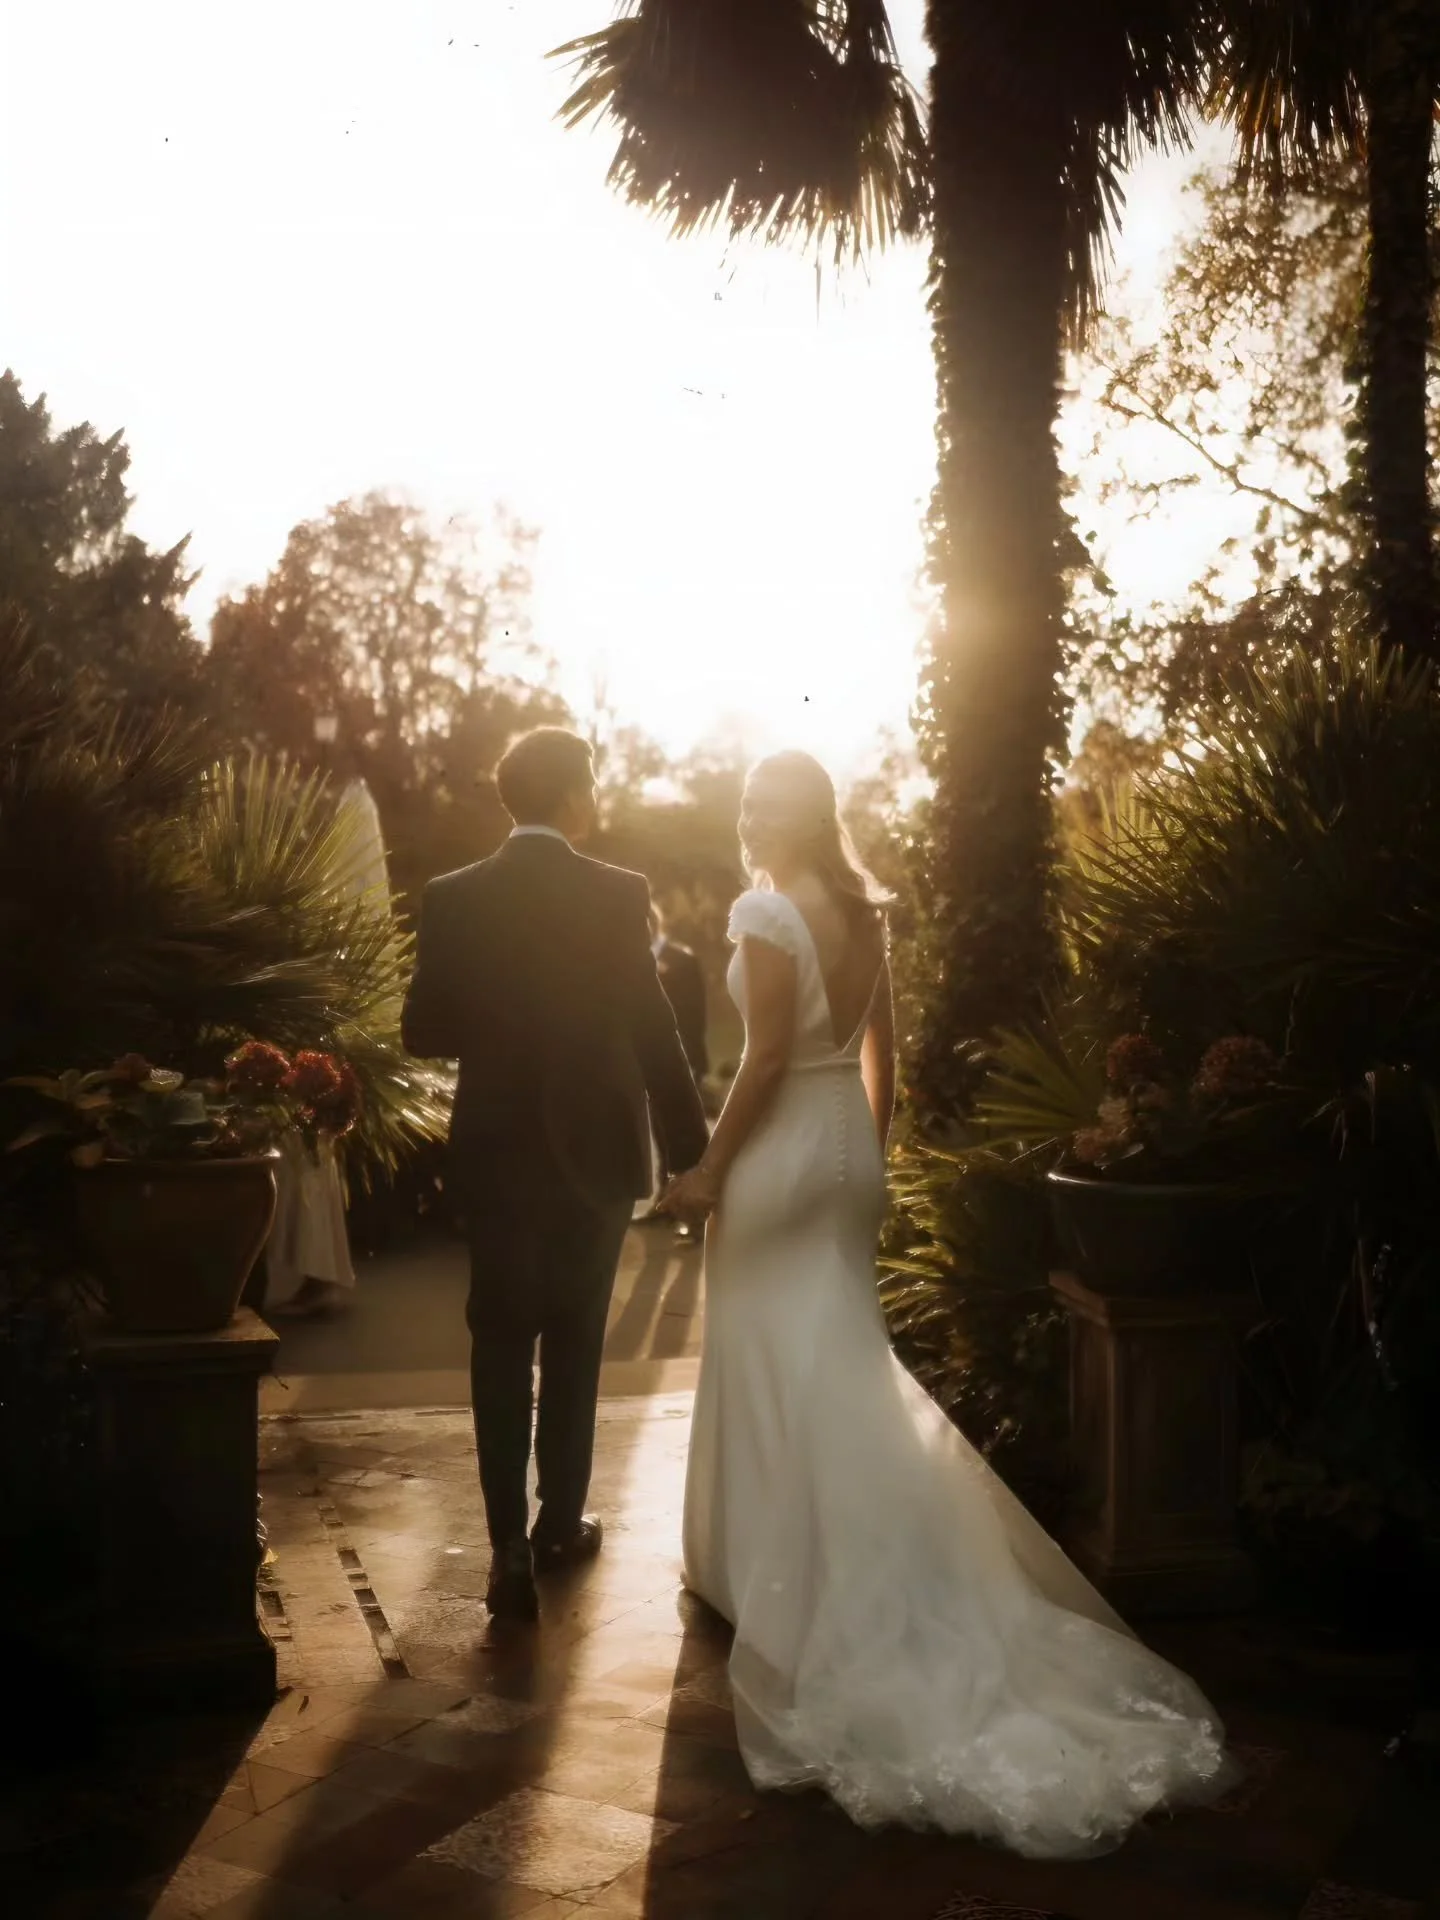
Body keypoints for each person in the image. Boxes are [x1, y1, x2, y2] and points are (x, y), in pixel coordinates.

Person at [660, 750, 1237, 1859]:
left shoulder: (764, 910)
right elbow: (884, 1056)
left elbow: (766, 1057)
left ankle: (776, 1571)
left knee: (773, 1354)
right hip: (842, 1156)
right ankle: (826, 1555)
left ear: (785, 819)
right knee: (835, 1352)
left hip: (782, 1152)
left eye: (758, 805)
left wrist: (705, 1169)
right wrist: (863, 1163)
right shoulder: (868, 913)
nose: (750, 819)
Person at [402, 727, 708, 1622]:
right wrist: (694, 1152)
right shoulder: (616, 894)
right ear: (574, 798)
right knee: (575, 1339)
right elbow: (656, 1031)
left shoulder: (453, 897)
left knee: (497, 1339)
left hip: (494, 1149)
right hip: (598, 1153)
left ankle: (503, 1551)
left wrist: (503, 1018)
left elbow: (423, 1032)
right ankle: (559, 1524)